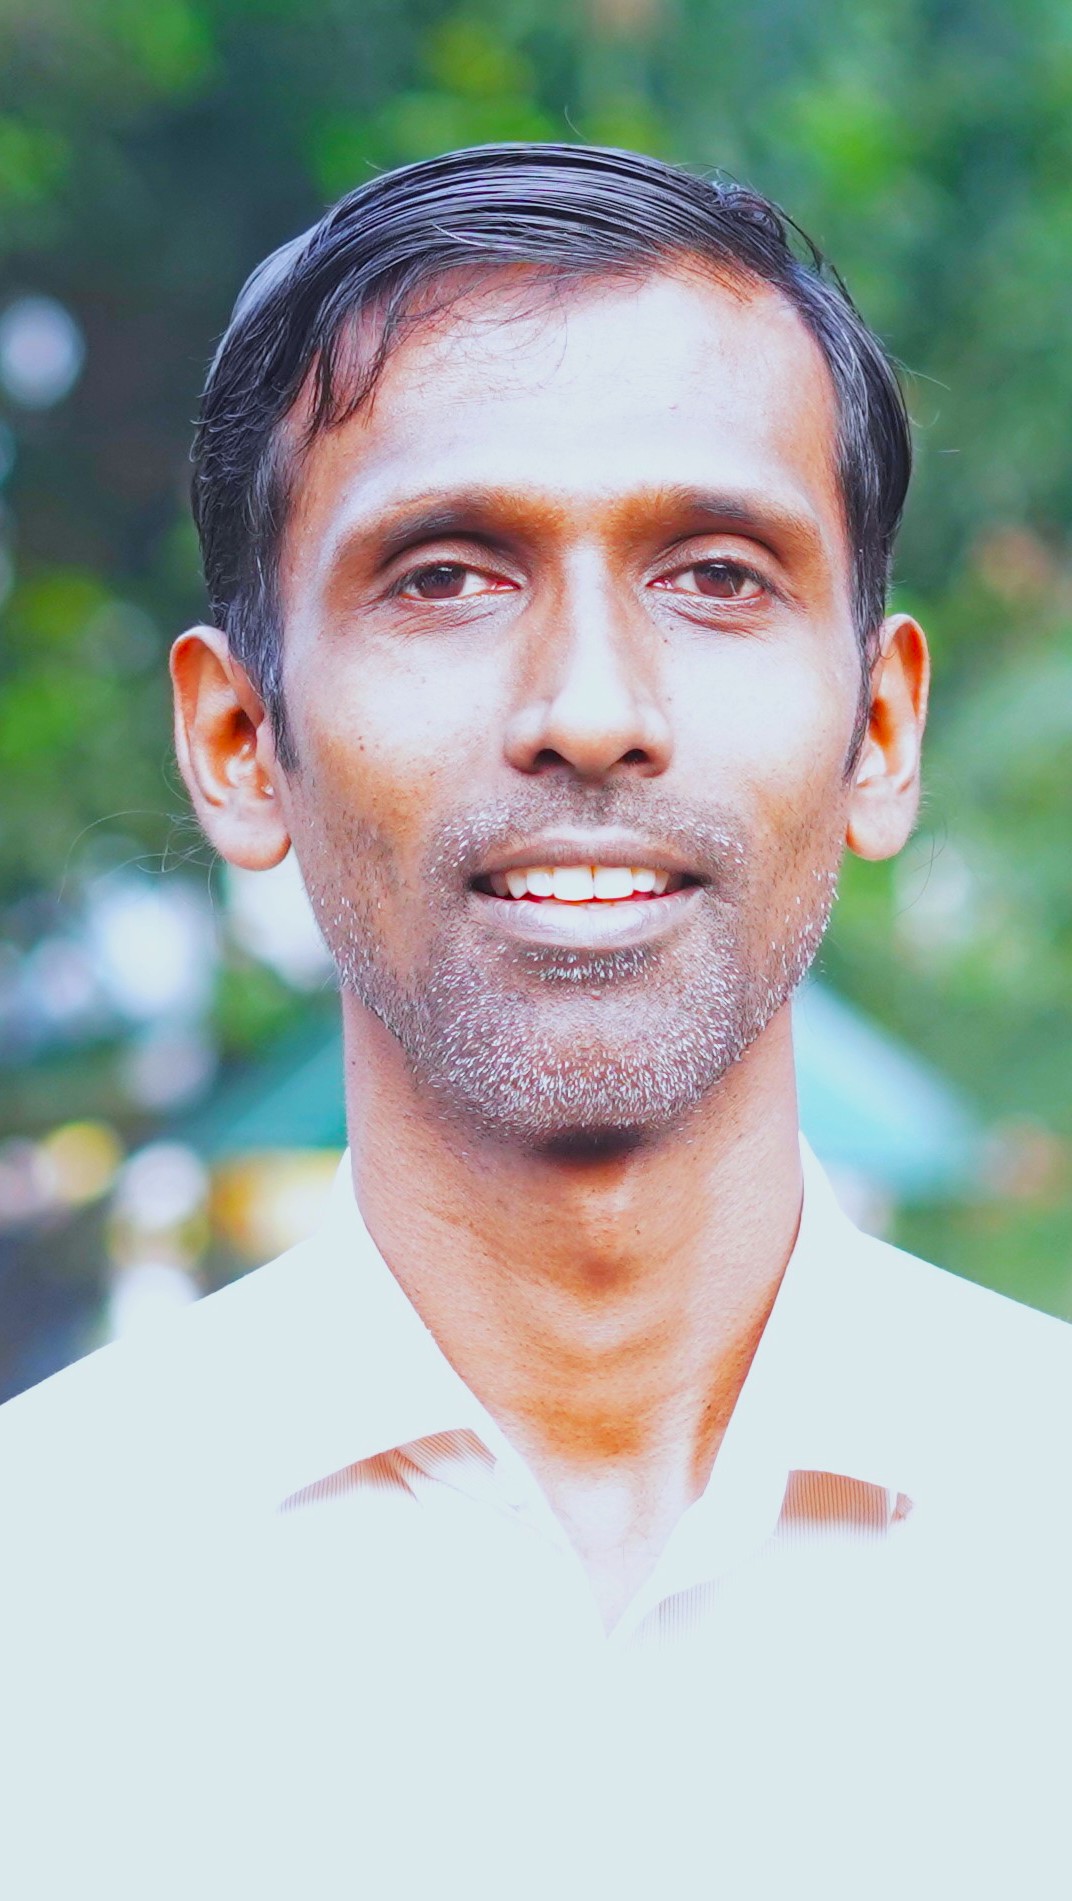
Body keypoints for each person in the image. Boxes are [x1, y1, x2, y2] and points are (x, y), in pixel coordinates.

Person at [2, 144, 1069, 1900]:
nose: (588, 708)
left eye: (715, 572)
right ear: (241, 745)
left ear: (880, 732)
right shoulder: (39, 1602)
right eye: (446, 575)